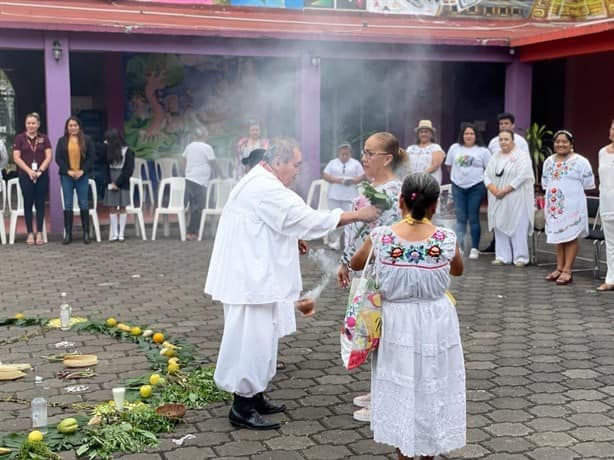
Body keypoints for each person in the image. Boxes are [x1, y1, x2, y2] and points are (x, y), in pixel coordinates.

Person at [204, 137, 380, 430]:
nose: (299, 170)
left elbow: (272, 222)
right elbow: (307, 219)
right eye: (296, 164)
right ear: (278, 162)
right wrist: (358, 215)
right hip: (250, 278)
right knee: (252, 340)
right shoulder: (266, 187)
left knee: (263, 338)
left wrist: (291, 236)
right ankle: (242, 406)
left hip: (252, 273)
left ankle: (256, 395)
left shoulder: (260, 179)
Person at [350, 173, 465, 460]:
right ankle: (428, 453)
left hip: (396, 322)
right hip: (436, 320)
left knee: (401, 385)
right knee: (433, 385)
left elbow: (356, 262)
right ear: (435, 205)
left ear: (400, 200)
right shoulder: (447, 239)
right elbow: (458, 270)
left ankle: (404, 452)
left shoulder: (381, 237)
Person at [337, 131, 407, 423]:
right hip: (361, 266)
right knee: (369, 331)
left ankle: (386, 397)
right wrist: (345, 260)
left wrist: (357, 262)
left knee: (383, 332)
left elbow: (385, 238)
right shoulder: (370, 185)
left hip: (381, 273)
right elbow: (356, 231)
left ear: (387, 158)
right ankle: (376, 386)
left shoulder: (393, 192)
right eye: (363, 152)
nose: (363, 158)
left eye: (369, 153)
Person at [542, 130, 595, 285]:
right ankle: (559, 268)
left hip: (573, 206)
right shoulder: (549, 161)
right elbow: (546, 183)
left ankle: (567, 270)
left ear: (571, 144)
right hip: (554, 206)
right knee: (559, 237)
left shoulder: (581, 161)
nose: (560, 144)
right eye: (557, 142)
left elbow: (588, 184)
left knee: (571, 236)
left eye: (564, 142)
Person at [484, 129, 535, 266]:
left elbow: (523, 175)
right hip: (497, 197)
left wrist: (505, 190)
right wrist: (494, 190)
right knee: (499, 225)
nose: (503, 142)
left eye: (506, 139)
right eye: (501, 139)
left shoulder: (522, 156)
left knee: (518, 226)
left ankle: (520, 257)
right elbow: (487, 175)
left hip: (516, 197)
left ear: (513, 140)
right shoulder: (495, 156)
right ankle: (502, 256)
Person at [445, 123, 491, 259]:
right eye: (466, 133)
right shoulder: (454, 148)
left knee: (473, 218)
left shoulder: (483, 151)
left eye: (471, 133)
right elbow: (449, 166)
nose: (468, 136)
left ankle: (475, 248)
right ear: (462, 135)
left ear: (476, 136)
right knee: (460, 218)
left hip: (476, 187)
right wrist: (459, 177)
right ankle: (460, 247)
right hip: (458, 187)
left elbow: (489, 169)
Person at [12, 112, 52, 245]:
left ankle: (39, 232)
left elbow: (49, 156)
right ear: (25, 124)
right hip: (25, 175)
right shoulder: (19, 138)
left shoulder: (44, 138)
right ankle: (29, 233)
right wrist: (29, 171)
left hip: (41, 175)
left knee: (40, 203)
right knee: (28, 203)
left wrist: (40, 170)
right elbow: (16, 157)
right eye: (28, 123)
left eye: (33, 123)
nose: (31, 125)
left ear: (38, 124)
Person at [55, 116, 96, 244]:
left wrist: (82, 171)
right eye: (70, 125)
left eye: (75, 125)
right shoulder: (62, 141)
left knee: (83, 203)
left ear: (79, 126)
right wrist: (68, 171)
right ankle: (68, 234)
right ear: (67, 128)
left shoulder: (87, 140)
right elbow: (58, 158)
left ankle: (86, 233)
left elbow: (92, 157)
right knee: (68, 204)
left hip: (82, 176)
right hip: (67, 175)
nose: (73, 128)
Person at [322, 143, 365, 250]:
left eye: (346, 154)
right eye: (342, 154)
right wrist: (339, 180)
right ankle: (334, 242)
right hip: (334, 195)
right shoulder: (333, 163)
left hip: (350, 196)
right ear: (339, 154)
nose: (344, 156)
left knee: (349, 220)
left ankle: (348, 242)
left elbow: (362, 176)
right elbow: (325, 175)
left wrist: (353, 180)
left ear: (350, 153)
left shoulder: (356, 163)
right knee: (335, 219)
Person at [181, 128, 221, 241]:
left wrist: (186, 171)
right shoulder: (207, 147)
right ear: (205, 136)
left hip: (189, 178)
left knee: (191, 206)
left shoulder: (189, 146)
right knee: (198, 207)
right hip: (200, 180)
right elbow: (213, 162)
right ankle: (192, 232)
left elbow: (182, 160)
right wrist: (221, 175)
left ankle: (191, 230)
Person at [103, 129, 135, 242]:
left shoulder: (128, 151)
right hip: (110, 180)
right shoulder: (107, 151)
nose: (105, 142)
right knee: (112, 207)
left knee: (122, 207)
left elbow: (128, 170)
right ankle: (114, 234)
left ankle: (121, 234)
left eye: (108, 140)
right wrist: (110, 182)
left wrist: (117, 183)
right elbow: (105, 168)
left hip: (123, 181)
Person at [597, 119, 614, 291]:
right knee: (610, 243)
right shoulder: (602, 152)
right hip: (607, 203)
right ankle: (610, 278)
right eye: (612, 128)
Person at [401, 119, 446, 183]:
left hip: (429, 183)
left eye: (426, 132)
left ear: (431, 134)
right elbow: (405, 164)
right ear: (418, 134)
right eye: (421, 132)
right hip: (412, 182)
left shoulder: (436, 148)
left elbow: (435, 165)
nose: (423, 134)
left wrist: (419, 176)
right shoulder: (410, 148)